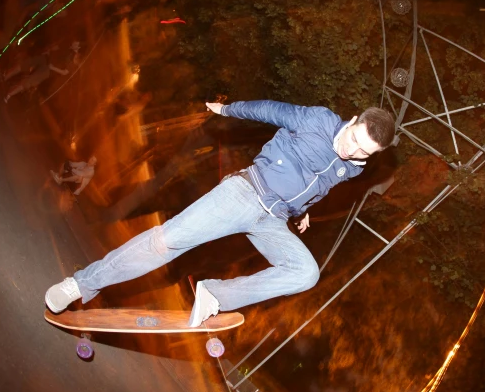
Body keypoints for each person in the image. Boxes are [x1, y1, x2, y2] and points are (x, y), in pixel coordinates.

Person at [44, 100, 395, 326]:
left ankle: (215, 295)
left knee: (306, 273)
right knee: (165, 242)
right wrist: (226, 110)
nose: (352, 152)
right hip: (244, 192)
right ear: (351, 121)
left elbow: (319, 187)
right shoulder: (315, 120)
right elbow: (268, 110)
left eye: (364, 152)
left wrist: (304, 212)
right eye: (353, 140)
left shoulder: (354, 167)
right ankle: (80, 284)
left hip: (273, 220)